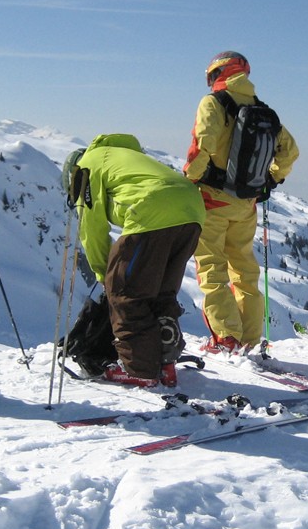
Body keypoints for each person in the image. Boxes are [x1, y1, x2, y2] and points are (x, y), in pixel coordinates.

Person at [64, 133, 206, 388]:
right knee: (160, 293)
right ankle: (165, 362)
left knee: (126, 294)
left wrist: (105, 276)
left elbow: (92, 230)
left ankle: (140, 370)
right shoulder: (121, 156)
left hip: (152, 208)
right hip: (193, 208)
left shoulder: (87, 166)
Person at [184, 51, 299, 355]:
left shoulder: (213, 103)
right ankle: (248, 338)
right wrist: (271, 180)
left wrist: (189, 180)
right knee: (245, 272)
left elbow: (202, 145)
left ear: (217, 74)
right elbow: (290, 151)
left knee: (212, 269)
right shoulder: (263, 110)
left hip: (213, 200)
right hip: (246, 204)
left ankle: (226, 337)